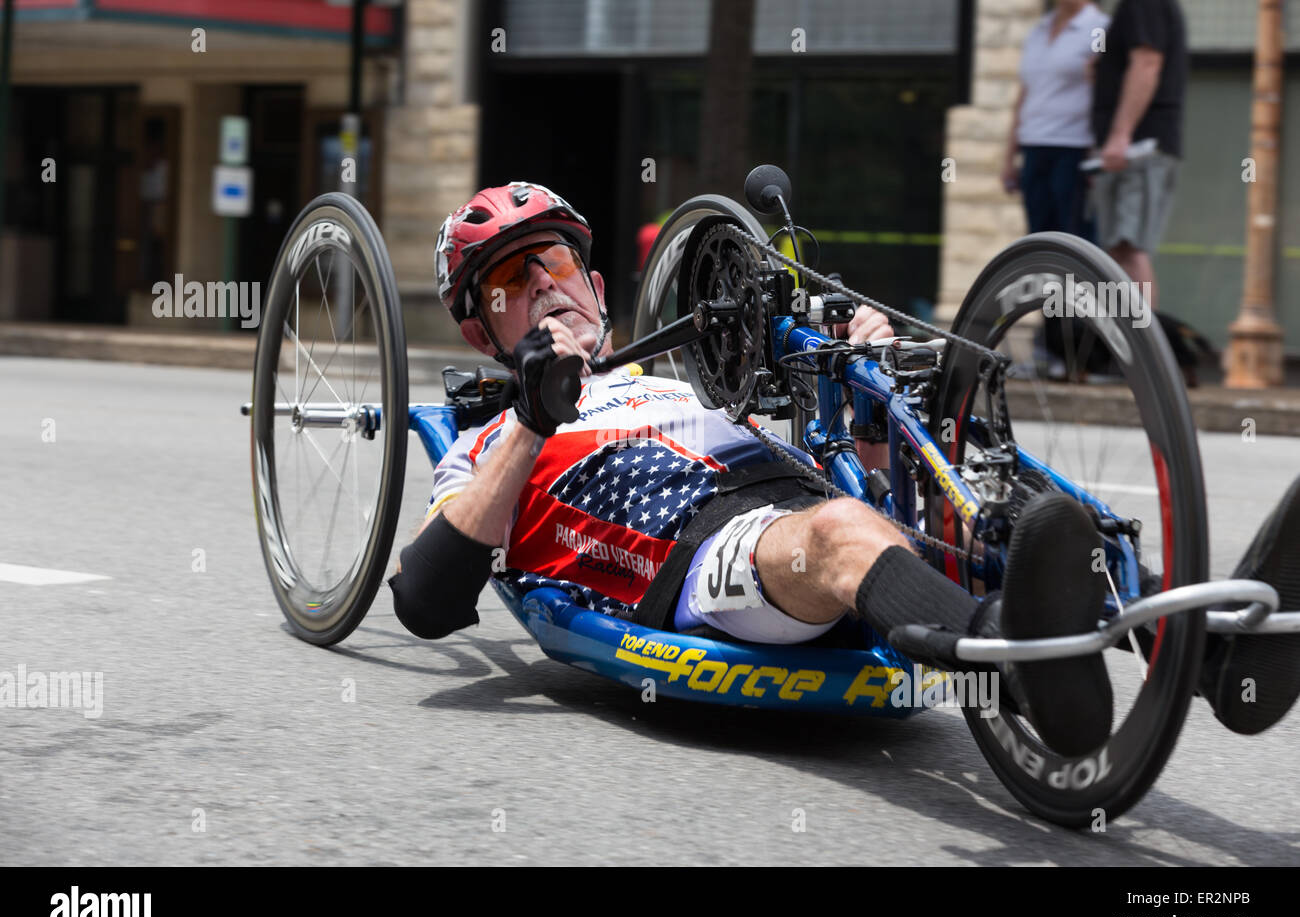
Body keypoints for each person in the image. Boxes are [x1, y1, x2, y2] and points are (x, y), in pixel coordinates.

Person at [387, 181, 1300, 748]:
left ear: (591, 281)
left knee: (1001, 498)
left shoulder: (690, 384)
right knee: (833, 535)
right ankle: (1017, 666)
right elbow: (428, 598)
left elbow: (861, 475)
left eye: (550, 262)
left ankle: (1218, 653)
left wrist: (865, 388)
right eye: (510, 284)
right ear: (485, 329)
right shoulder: (486, 441)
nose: (541, 285)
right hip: (690, 557)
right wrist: (532, 418)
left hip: (808, 505)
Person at [1089, 0, 1188, 309]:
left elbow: (1147, 63)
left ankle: (1144, 353)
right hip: (1131, 147)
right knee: (1119, 251)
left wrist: (1120, 136)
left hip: (1140, 149)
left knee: (1131, 250)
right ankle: (1128, 351)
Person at [1002, 0, 1110, 241]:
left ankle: (1082, 281)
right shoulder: (1038, 30)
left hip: (1074, 146)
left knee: (1075, 238)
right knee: (1040, 237)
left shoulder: (1098, 29)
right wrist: (1010, 155)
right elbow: (1025, 93)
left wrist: (1098, 152)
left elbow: (1105, 88)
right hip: (1034, 144)